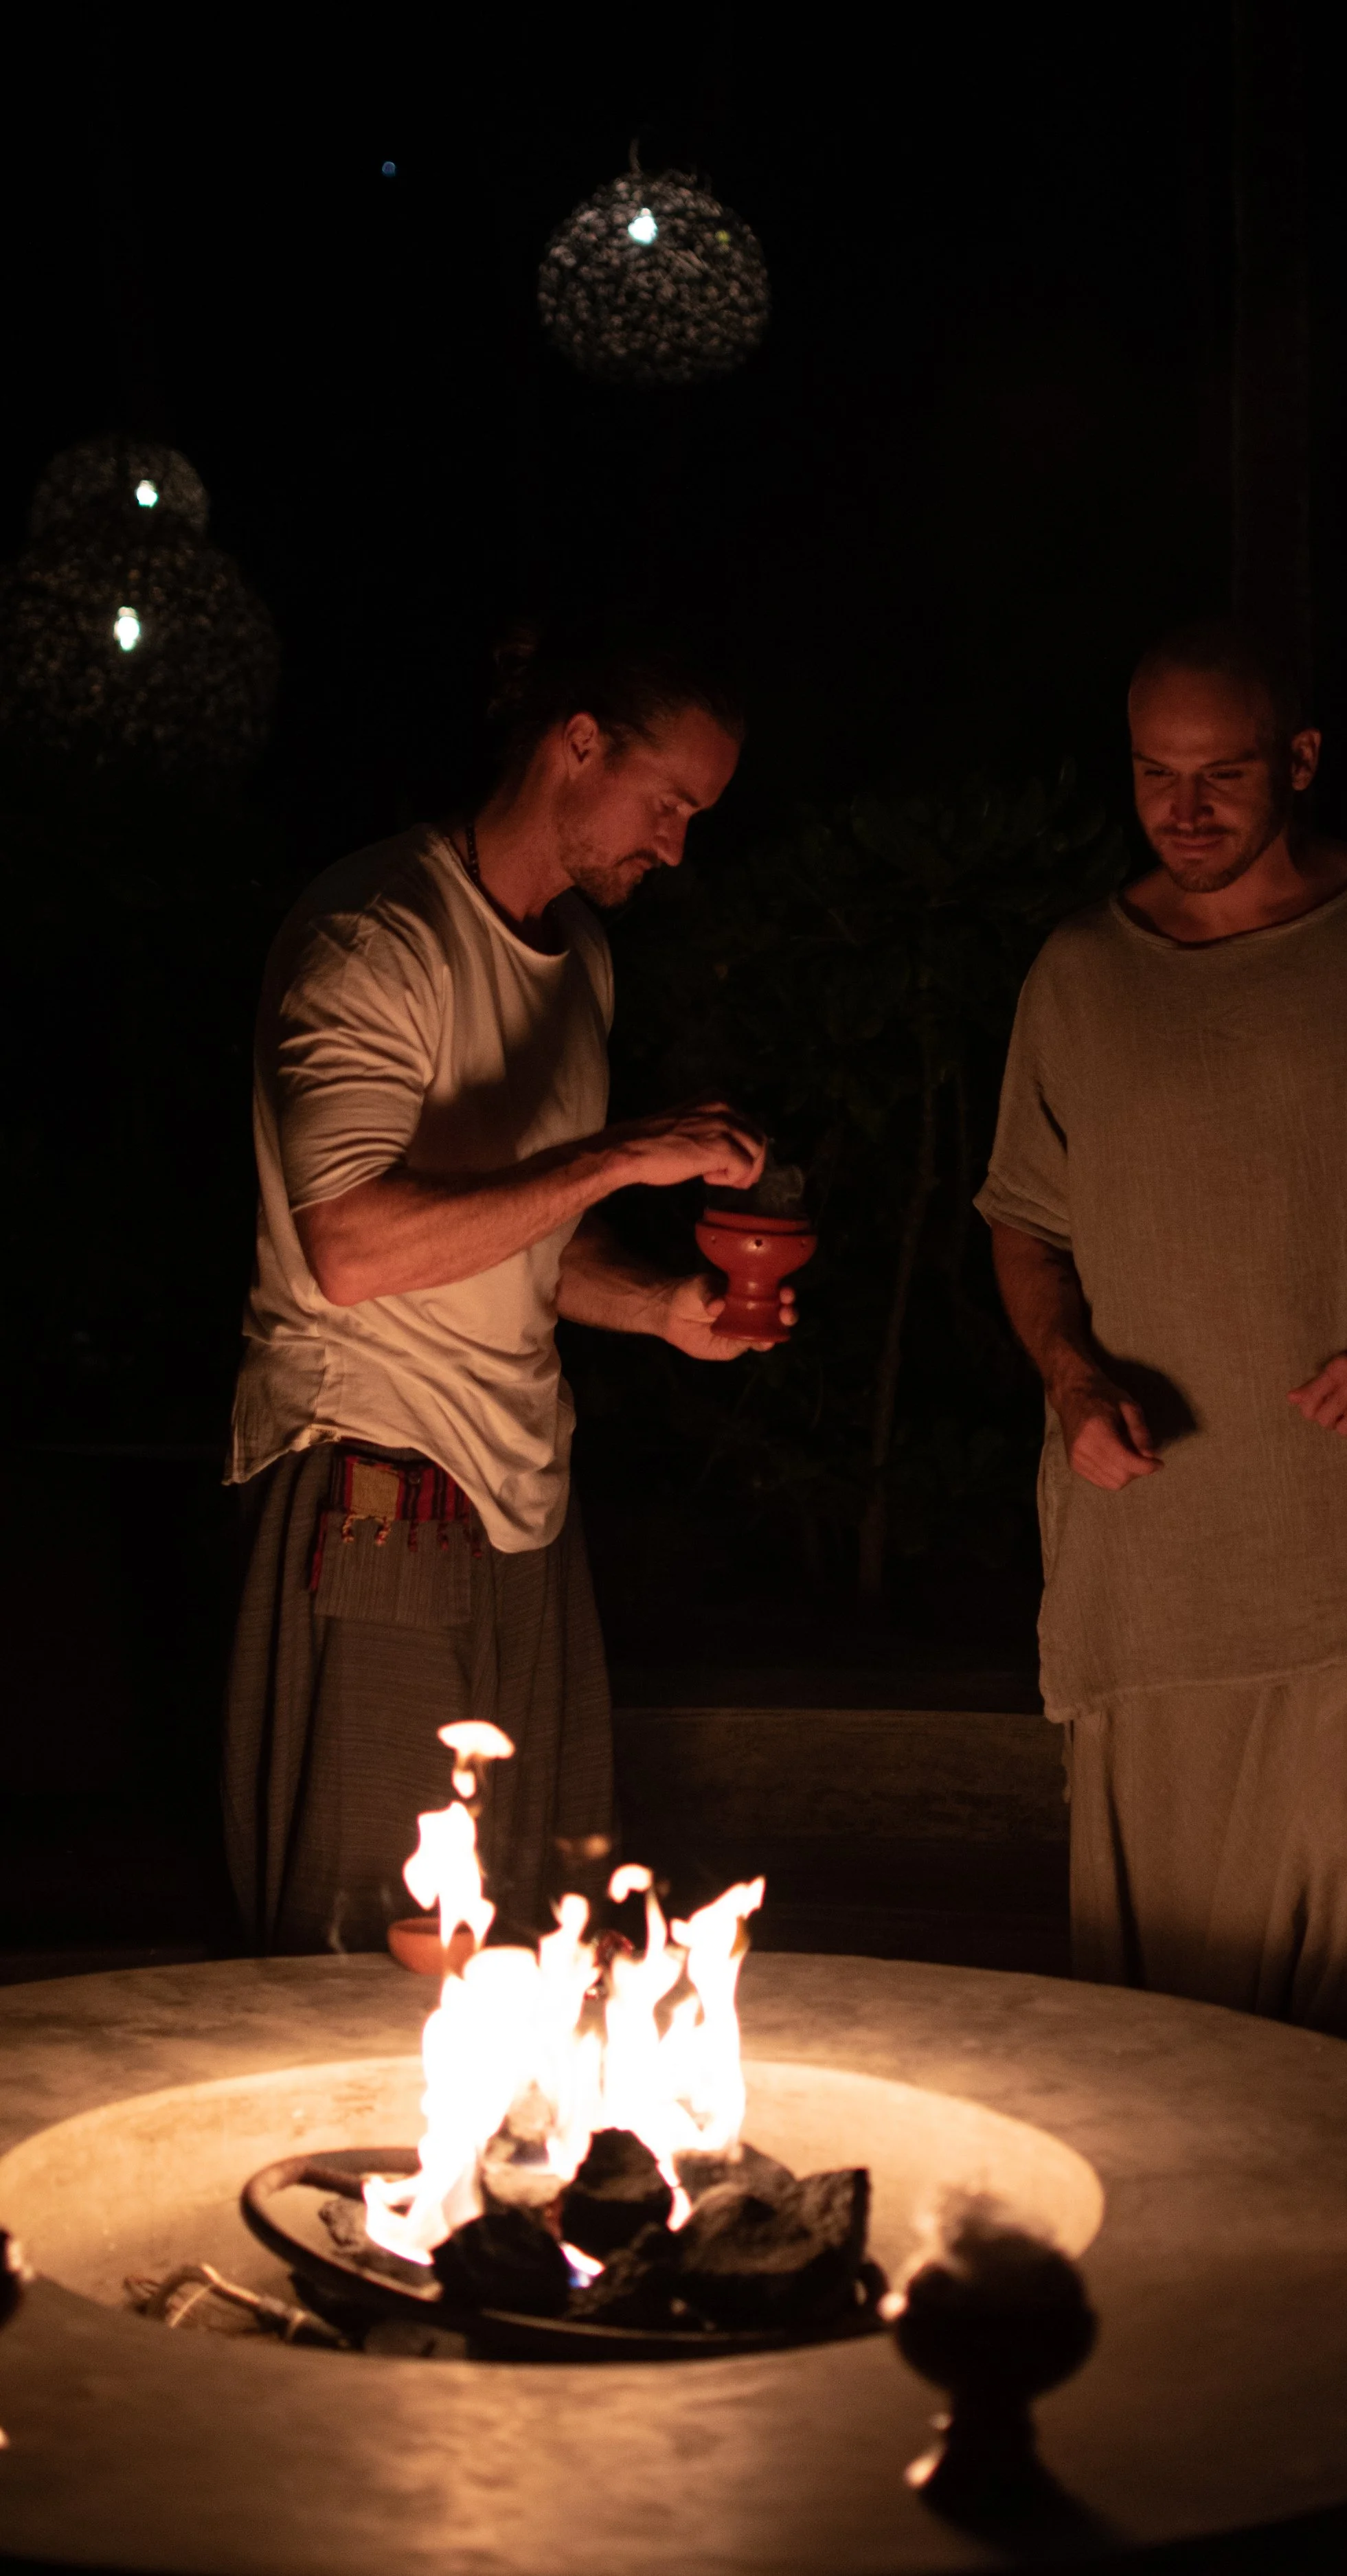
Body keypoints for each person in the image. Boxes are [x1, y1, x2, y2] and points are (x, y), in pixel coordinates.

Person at [976, 622, 1347, 2048]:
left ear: (1297, 762)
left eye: (1222, 776)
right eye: (1152, 776)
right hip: (1148, 1554)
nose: (1182, 811)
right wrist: (1068, 1379)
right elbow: (1022, 1220)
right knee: (1157, 2006)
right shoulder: (1075, 972)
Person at [223, 629, 786, 1954]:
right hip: (378, 1488)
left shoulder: (580, 957)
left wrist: (658, 1307)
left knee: (532, 1936)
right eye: (669, 803)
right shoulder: (375, 938)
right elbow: (353, 1246)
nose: (678, 845)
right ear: (577, 744)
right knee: (378, 1944)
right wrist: (621, 1153)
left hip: (525, 1505)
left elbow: (512, 1236)